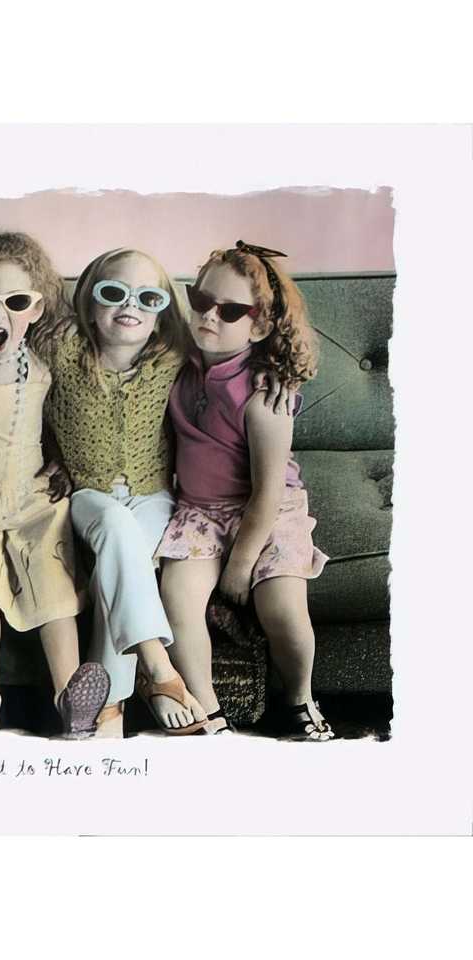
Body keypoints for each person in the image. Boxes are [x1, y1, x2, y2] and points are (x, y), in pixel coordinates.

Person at [156, 241, 333, 740]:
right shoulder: (179, 360)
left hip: (268, 509)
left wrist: (241, 564)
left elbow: (268, 492)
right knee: (177, 599)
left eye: (231, 311)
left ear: (259, 327)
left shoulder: (263, 394)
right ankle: (207, 711)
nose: (209, 316)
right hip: (199, 510)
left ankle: (299, 697)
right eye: (200, 300)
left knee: (283, 608)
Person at [0, 232, 109, 737]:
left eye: (15, 303)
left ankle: (70, 698)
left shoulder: (44, 362)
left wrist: (61, 463)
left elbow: (62, 423)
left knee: (52, 578)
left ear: (36, 309)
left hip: (32, 496)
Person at [36, 248, 211, 735]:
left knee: (120, 563)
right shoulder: (61, 352)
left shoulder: (174, 358)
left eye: (148, 298)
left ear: (161, 314)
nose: (129, 306)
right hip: (87, 495)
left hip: (154, 495)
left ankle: (104, 714)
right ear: (89, 304)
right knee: (116, 527)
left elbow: (232, 358)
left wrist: (273, 375)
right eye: (113, 293)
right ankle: (158, 667)